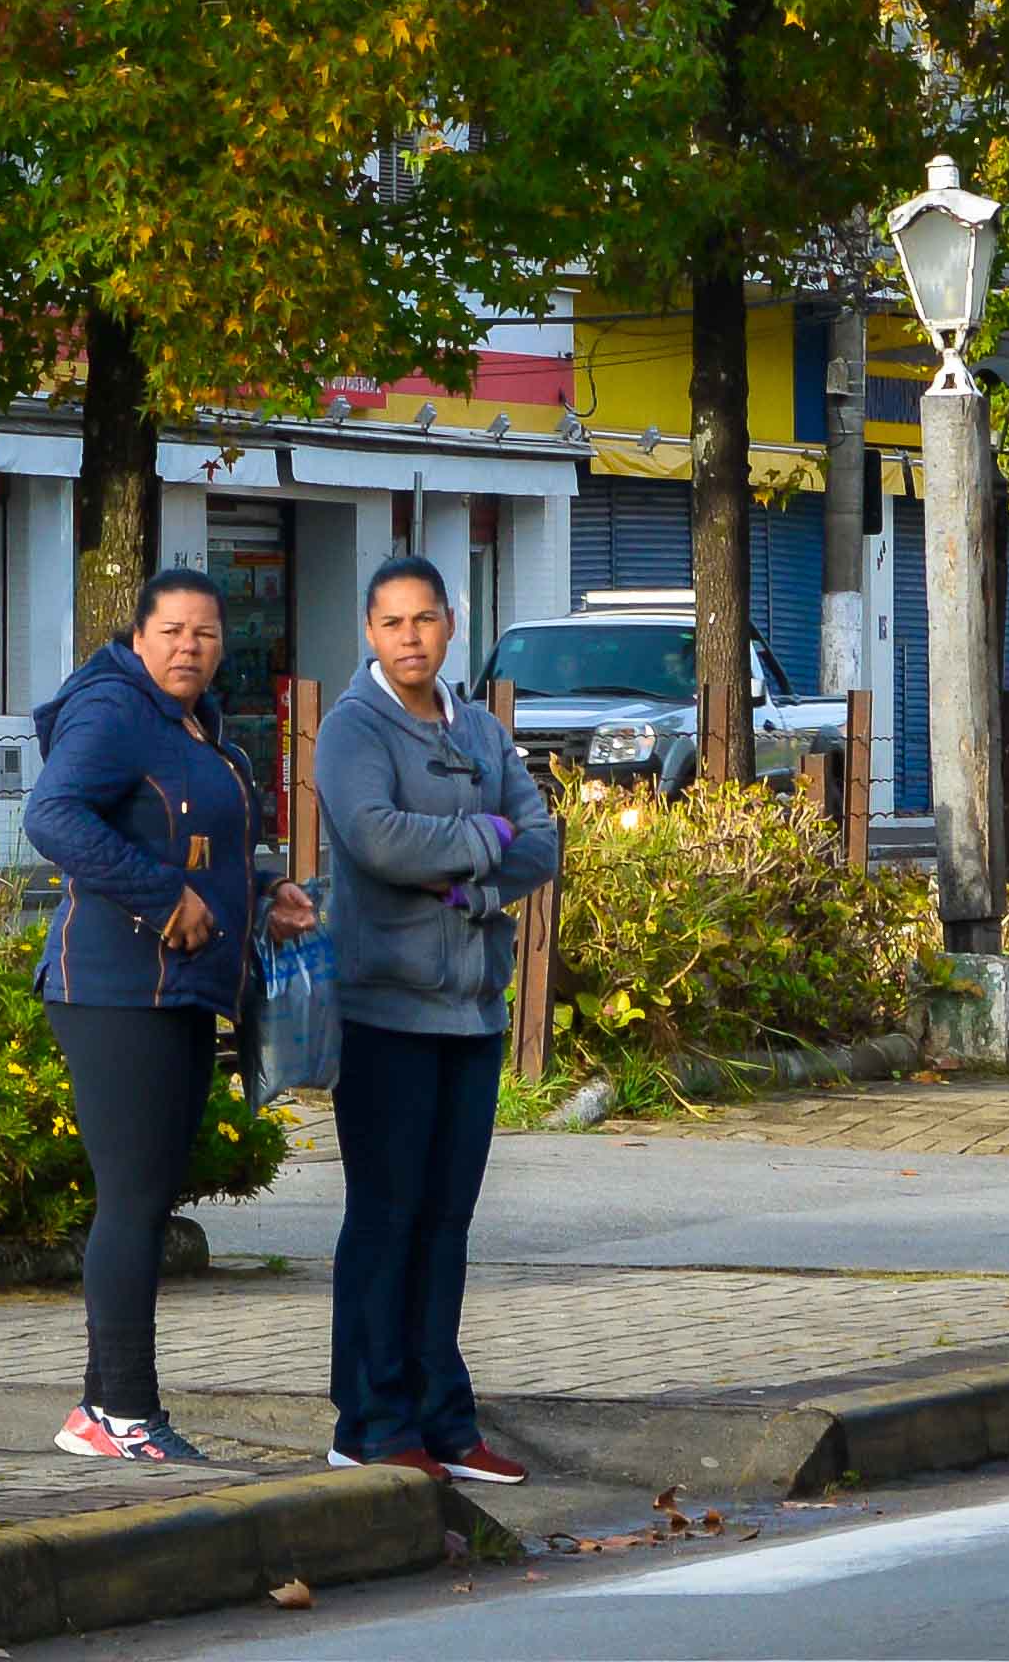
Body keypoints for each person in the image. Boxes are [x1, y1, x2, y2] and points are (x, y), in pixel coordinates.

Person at [26, 562, 304, 1467]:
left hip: (182, 988)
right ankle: (126, 1415)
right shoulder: (114, 710)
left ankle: (95, 1410)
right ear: (138, 636)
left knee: (145, 1199)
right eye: (173, 632)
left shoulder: (195, 723)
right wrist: (161, 897)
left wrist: (267, 889)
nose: (190, 647)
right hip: (115, 990)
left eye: (207, 634)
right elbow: (53, 816)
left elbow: (202, 842)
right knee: (134, 1204)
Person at [314, 552, 561, 1488]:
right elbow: (376, 838)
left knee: (446, 1225)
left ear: (450, 624)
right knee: (386, 1216)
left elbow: (540, 841)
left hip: (472, 1012)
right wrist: (483, 841)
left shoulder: (484, 729)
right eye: (391, 623)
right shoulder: (352, 728)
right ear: (368, 633)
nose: (410, 638)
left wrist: (473, 877)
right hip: (385, 1010)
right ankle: (369, 1422)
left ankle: (444, 1420)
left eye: (424, 620)